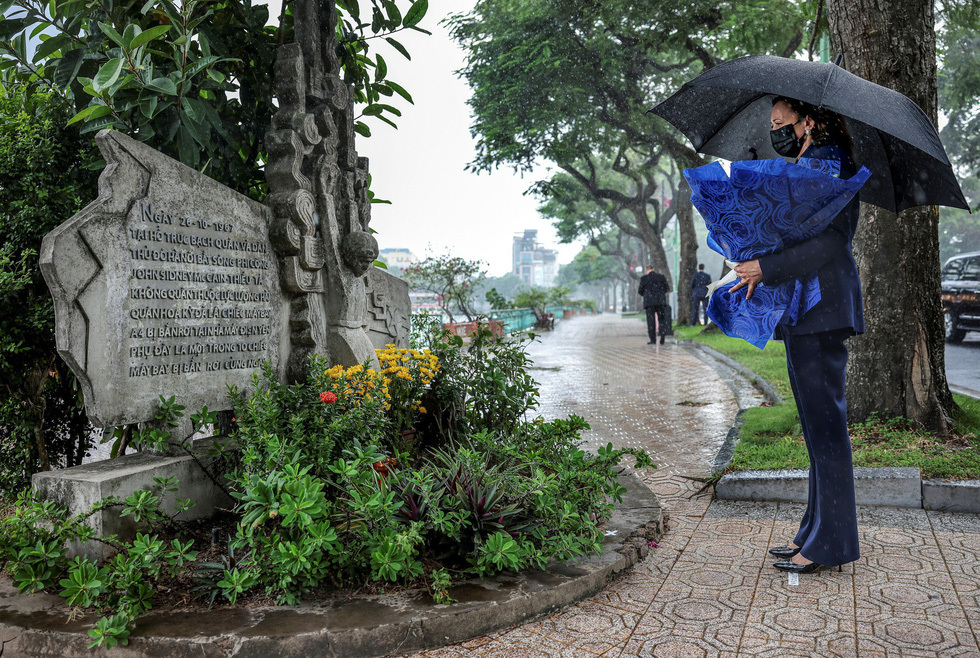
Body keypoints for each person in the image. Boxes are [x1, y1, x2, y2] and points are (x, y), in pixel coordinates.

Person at [730, 96, 863, 574]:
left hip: (821, 309)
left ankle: (830, 544)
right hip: (807, 310)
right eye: (772, 124)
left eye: (781, 122)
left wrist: (767, 265)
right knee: (815, 427)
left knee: (826, 428)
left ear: (811, 121)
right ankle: (814, 531)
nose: (776, 129)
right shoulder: (812, 162)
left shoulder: (831, 162)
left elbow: (830, 241)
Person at [638, 265, 671, 344]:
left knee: (651, 321)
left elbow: (640, 291)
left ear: (647, 270)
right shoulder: (661, 277)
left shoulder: (644, 278)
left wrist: (647, 295)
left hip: (649, 303)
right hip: (660, 302)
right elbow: (667, 288)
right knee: (662, 320)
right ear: (653, 269)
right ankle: (662, 336)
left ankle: (653, 339)